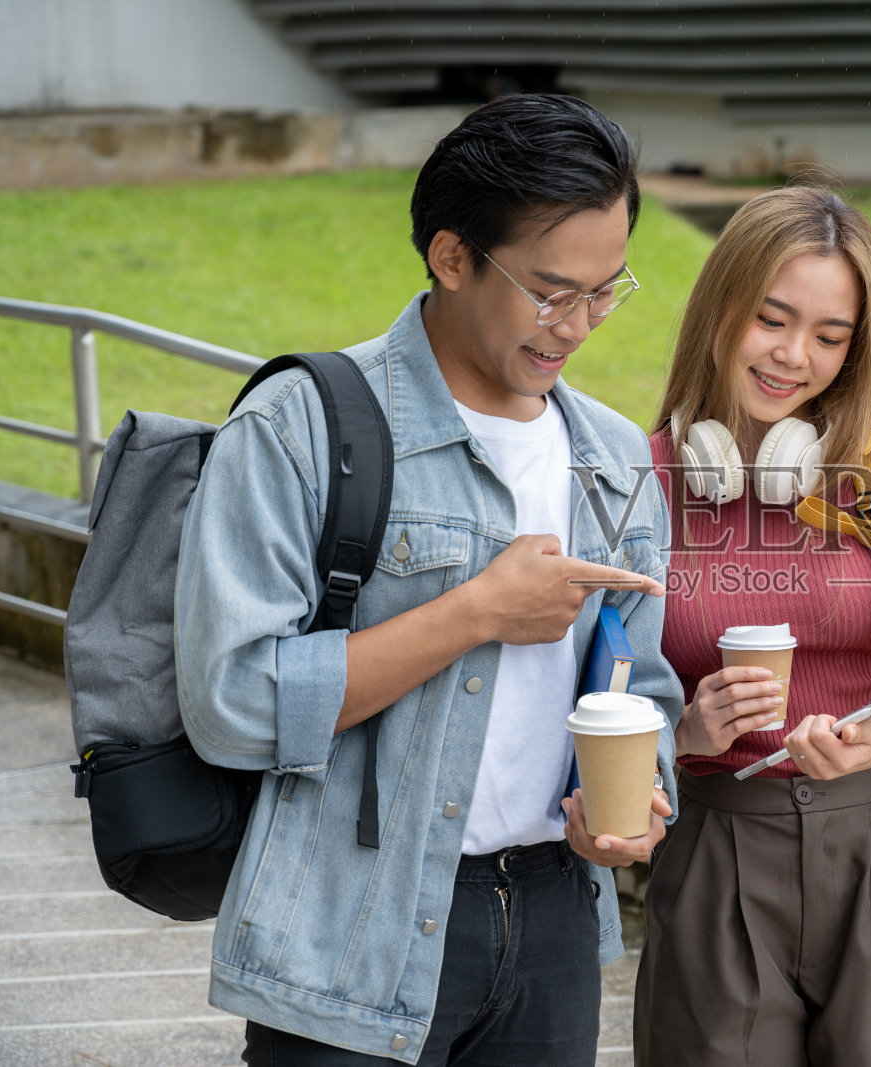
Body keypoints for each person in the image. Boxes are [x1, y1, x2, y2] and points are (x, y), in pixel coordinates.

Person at [173, 94, 680, 1066]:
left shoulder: (615, 458)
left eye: (605, 291)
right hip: (346, 930)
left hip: (554, 924)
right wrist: (477, 611)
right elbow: (233, 702)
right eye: (551, 292)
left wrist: (632, 797)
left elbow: (641, 684)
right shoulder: (299, 427)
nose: (579, 325)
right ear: (452, 257)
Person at [634, 186, 871, 1065]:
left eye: (829, 335)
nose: (793, 356)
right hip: (715, 845)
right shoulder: (647, 478)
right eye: (770, 319)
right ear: (720, 306)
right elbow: (602, 687)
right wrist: (684, 732)